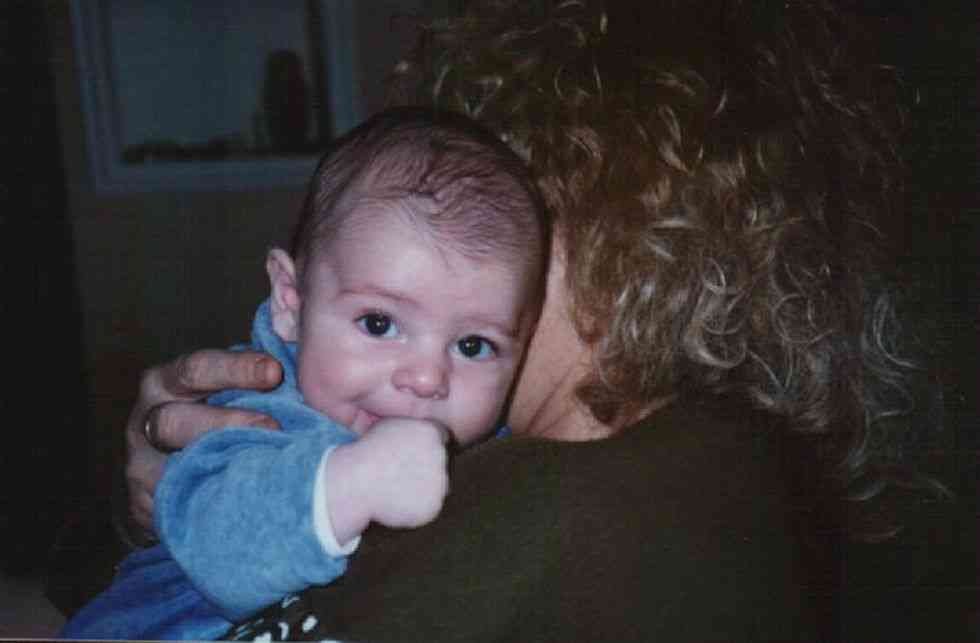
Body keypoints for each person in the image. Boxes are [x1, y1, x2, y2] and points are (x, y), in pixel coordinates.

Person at [120, 1, 950, 640]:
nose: (423, 372)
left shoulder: (599, 518)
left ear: (600, 212)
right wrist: (165, 491)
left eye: (494, 183)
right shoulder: (536, 448)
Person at [61, 107, 547, 640]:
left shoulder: (505, 458)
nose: (427, 378)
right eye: (379, 323)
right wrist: (349, 485)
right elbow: (221, 551)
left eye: (473, 345)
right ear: (290, 302)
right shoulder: (253, 412)